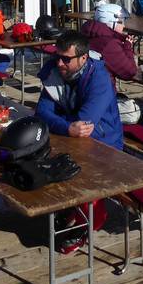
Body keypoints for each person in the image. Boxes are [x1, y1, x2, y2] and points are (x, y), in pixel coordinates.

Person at [35, 31, 122, 251]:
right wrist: (66, 127)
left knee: (83, 173)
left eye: (66, 59)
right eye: (58, 57)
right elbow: (42, 112)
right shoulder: (55, 71)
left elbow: (85, 122)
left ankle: (90, 220)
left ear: (83, 58)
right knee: (40, 158)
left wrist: (62, 124)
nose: (60, 63)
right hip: (70, 137)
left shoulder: (99, 79)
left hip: (105, 143)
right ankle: (66, 208)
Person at [80, 3, 137, 83]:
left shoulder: (88, 33)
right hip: (103, 87)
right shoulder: (109, 44)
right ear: (111, 23)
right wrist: (127, 46)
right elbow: (130, 72)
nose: (123, 26)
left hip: (85, 85)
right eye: (120, 22)